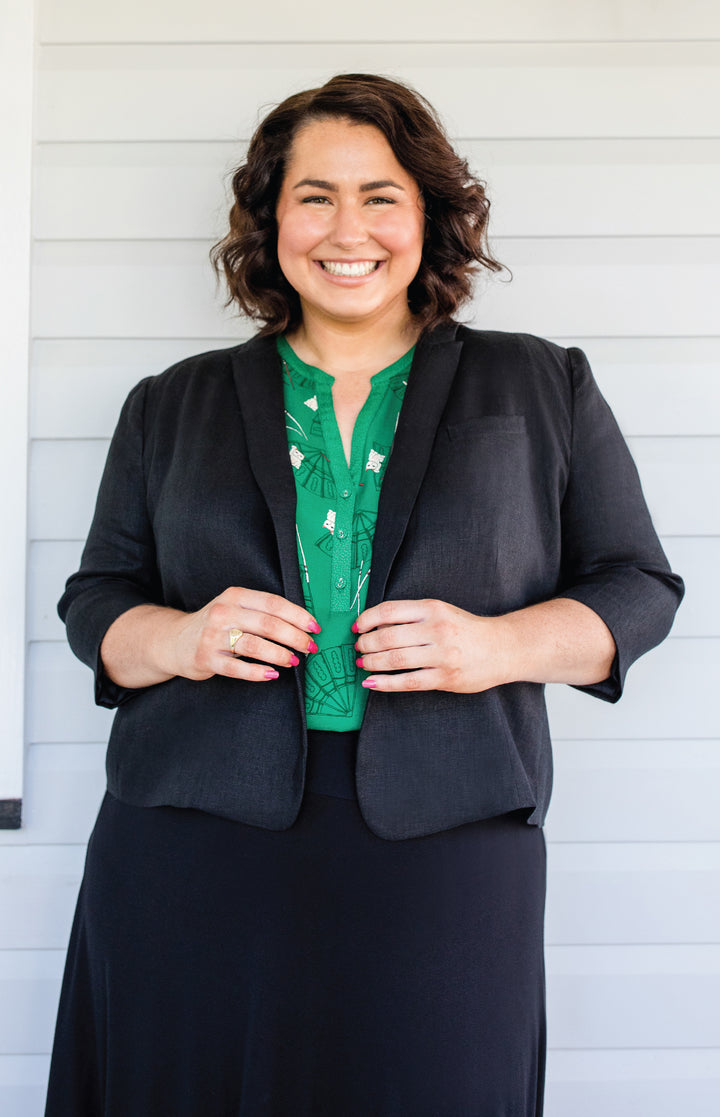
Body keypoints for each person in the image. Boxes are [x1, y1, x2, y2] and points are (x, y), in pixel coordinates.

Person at [45, 73, 683, 1116]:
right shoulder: (171, 404)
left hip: (449, 836)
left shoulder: (540, 383)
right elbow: (95, 604)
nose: (350, 228)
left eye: (381, 195)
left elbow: (638, 589)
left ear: (429, 216)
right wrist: (181, 637)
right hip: (187, 838)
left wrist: (500, 646)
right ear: (271, 219)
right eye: (315, 195)